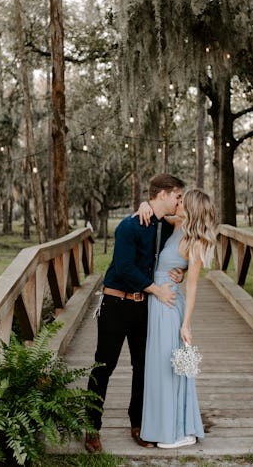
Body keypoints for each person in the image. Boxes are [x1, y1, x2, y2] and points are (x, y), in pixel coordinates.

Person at [84, 173, 186, 454]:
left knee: (143, 367)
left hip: (145, 307)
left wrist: (180, 272)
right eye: (177, 195)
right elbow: (125, 267)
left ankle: (138, 423)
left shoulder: (166, 227)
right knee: (103, 367)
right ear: (163, 194)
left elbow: (179, 250)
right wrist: (157, 289)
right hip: (117, 304)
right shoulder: (128, 227)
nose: (179, 201)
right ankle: (92, 426)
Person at [140, 188, 216, 448]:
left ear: (191, 208)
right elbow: (154, 211)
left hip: (170, 305)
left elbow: (193, 287)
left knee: (170, 369)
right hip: (156, 299)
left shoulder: (196, 242)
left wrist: (186, 324)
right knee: (157, 367)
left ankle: (179, 431)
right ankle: (167, 426)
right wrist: (143, 205)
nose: (178, 201)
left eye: (183, 200)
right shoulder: (176, 224)